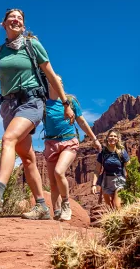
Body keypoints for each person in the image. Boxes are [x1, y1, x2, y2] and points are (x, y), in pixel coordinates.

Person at [0, 8, 75, 220]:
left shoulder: (32, 45)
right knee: (27, 157)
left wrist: (65, 103)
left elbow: (50, 75)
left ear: (23, 25)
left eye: (19, 18)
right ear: (3, 24)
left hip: (32, 102)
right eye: (11, 18)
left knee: (8, 139)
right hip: (8, 106)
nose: (15, 20)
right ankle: (42, 206)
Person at [44, 75, 102, 221]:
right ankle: (57, 212)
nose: (60, 83)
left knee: (59, 172)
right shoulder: (43, 103)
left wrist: (94, 139)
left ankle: (66, 204)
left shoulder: (70, 101)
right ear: (49, 83)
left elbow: (81, 122)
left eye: (62, 81)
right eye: (56, 80)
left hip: (69, 141)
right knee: (52, 182)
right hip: (50, 144)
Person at [92, 130, 130, 210]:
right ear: (107, 138)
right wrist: (93, 185)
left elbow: (129, 168)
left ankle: (120, 222)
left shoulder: (122, 152)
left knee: (117, 206)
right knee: (110, 208)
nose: (113, 138)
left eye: (115, 136)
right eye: (111, 136)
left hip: (119, 180)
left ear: (118, 139)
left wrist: (130, 182)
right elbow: (97, 170)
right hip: (106, 182)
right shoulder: (102, 153)